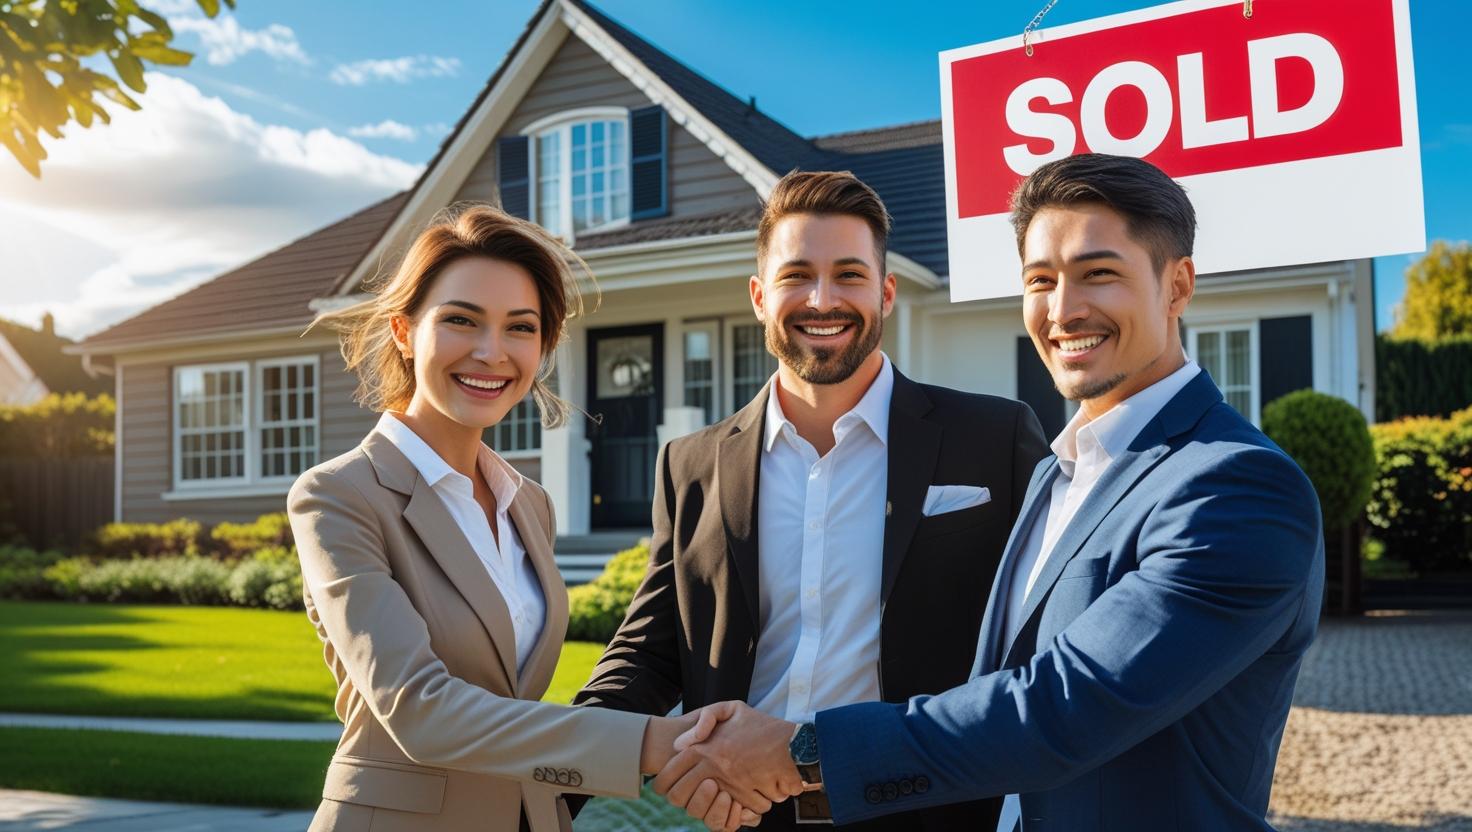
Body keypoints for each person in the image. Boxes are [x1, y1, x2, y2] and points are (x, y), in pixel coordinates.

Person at [654, 154, 1325, 832]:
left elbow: (1064, 706)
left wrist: (802, 753)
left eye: (1099, 274)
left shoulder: (1236, 485)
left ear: (1177, 285)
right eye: (1041, 280)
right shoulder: (1059, 473)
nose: (1064, 310)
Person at [571, 170, 1049, 831]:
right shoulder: (691, 466)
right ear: (760, 297)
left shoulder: (994, 439)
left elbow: (1041, 651)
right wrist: (548, 793)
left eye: (849, 275)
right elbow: (650, 652)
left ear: (886, 292)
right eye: (797, 275)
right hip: (746, 818)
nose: (822, 299)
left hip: (931, 811)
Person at [288, 206, 755, 832]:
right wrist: (656, 742)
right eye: (460, 320)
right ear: (403, 330)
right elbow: (418, 708)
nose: (491, 352)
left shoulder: (528, 502)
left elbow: (512, 698)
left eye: (520, 328)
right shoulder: (339, 495)